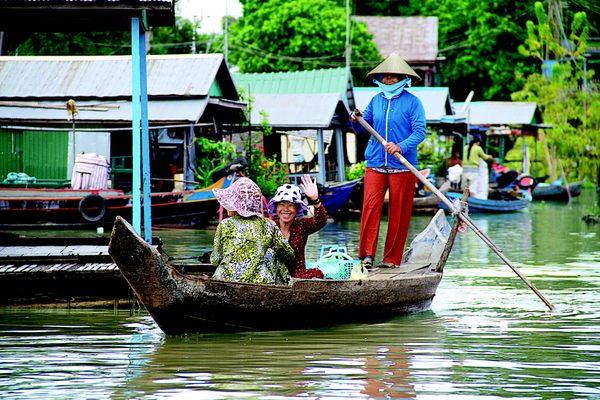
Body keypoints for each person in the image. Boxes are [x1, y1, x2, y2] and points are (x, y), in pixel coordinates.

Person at [350, 53, 426, 269]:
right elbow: (364, 129)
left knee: (399, 211)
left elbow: (420, 132)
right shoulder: (376, 100)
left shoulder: (413, 103)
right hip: (375, 162)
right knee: (370, 207)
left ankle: (392, 259)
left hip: (402, 165)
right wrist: (357, 120)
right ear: (380, 78)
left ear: (403, 78)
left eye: (394, 76)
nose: (389, 80)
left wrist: (400, 145)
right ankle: (366, 256)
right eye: (386, 76)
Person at [211, 177, 294, 284]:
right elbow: (289, 255)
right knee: (271, 254)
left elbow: (215, 260)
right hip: (260, 282)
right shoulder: (269, 225)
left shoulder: (224, 224)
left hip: (224, 279)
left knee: (270, 254)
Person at [269, 174, 327, 279]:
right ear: (276, 208)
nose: (286, 209)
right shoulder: (269, 226)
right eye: (282, 204)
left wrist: (315, 199)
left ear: (297, 209)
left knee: (318, 274)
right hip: (273, 275)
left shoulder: (302, 225)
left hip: (298, 277)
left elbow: (320, 221)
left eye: (290, 205)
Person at [462, 134, 493, 199]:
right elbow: (485, 157)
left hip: (465, 170)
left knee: (465, 188)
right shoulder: (478, 148)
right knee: (472, 189)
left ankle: (464, 200)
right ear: (478, 142)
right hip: (473, 171)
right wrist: (490, 157)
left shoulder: (465, 147)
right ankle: (472, 201)